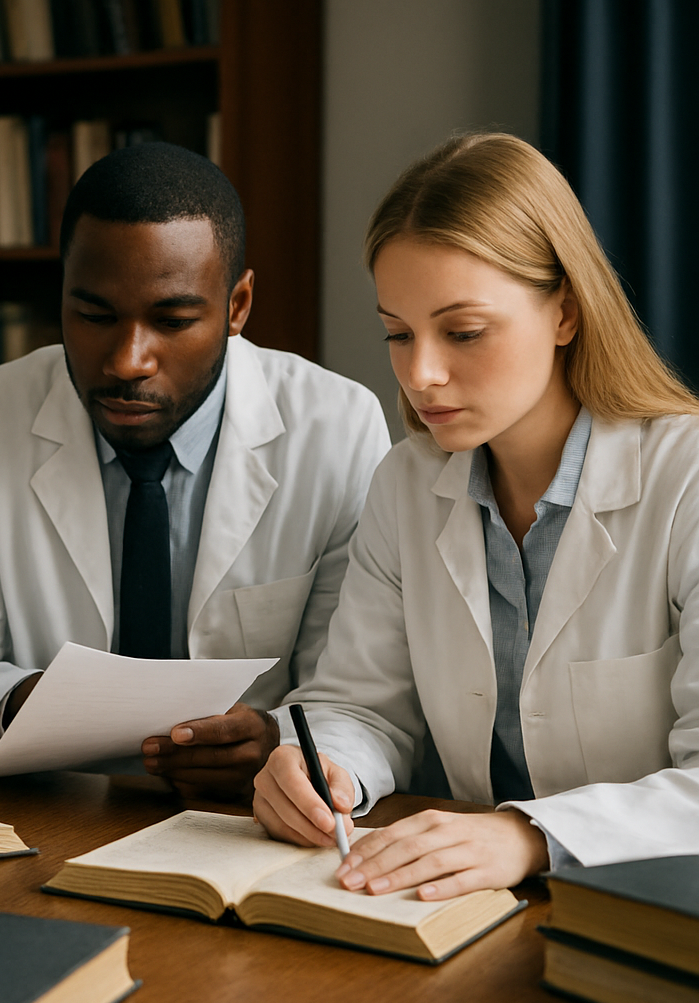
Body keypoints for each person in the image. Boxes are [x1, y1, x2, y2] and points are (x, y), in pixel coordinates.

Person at [253, 132, 699, 899]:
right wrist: (325, 763)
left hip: (647, 921)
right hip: (464, 910)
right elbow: (363, 703)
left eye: (463, 332)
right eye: (398, 332)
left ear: (565, 311)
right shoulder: (405, 483)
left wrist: (528, 834)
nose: (420, 373)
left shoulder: (683, 477)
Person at [0, 142, 391, 798]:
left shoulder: (338, 428)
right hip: (52, 807)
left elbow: (353, 694)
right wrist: (45, 704)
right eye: (93, 316)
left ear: (237, 306)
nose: (127, 361)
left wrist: (276, 738)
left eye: (172, 320)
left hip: (251, 815)